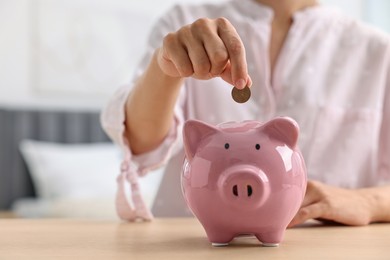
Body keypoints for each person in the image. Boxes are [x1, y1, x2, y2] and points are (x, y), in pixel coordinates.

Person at [101, 0, 390, 226]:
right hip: (192, 244)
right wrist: (164, 71)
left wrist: (366, 201)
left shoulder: (378, 50)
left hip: (322, 245)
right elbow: (140, 144)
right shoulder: (183, 25)